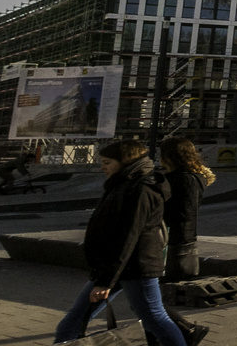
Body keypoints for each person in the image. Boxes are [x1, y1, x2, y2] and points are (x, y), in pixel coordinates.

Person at [52, 140, 186, 346]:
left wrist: (106, 280)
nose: (102, 167)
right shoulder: (124, 183)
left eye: (107, 162)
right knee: (71, 322)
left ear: (125, 162)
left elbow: (128, 236)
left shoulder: (142, 188)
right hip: (115, 266)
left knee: (155, 320)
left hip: (136, 267)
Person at [156, 137, 214, 346]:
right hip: (183, 240)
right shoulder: (195, 177)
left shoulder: (179, 179)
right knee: (149, 299)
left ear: (169, 156)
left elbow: (181, 213)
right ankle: (178, 332)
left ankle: (187, 330)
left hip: (171, 243)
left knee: (151, 300)